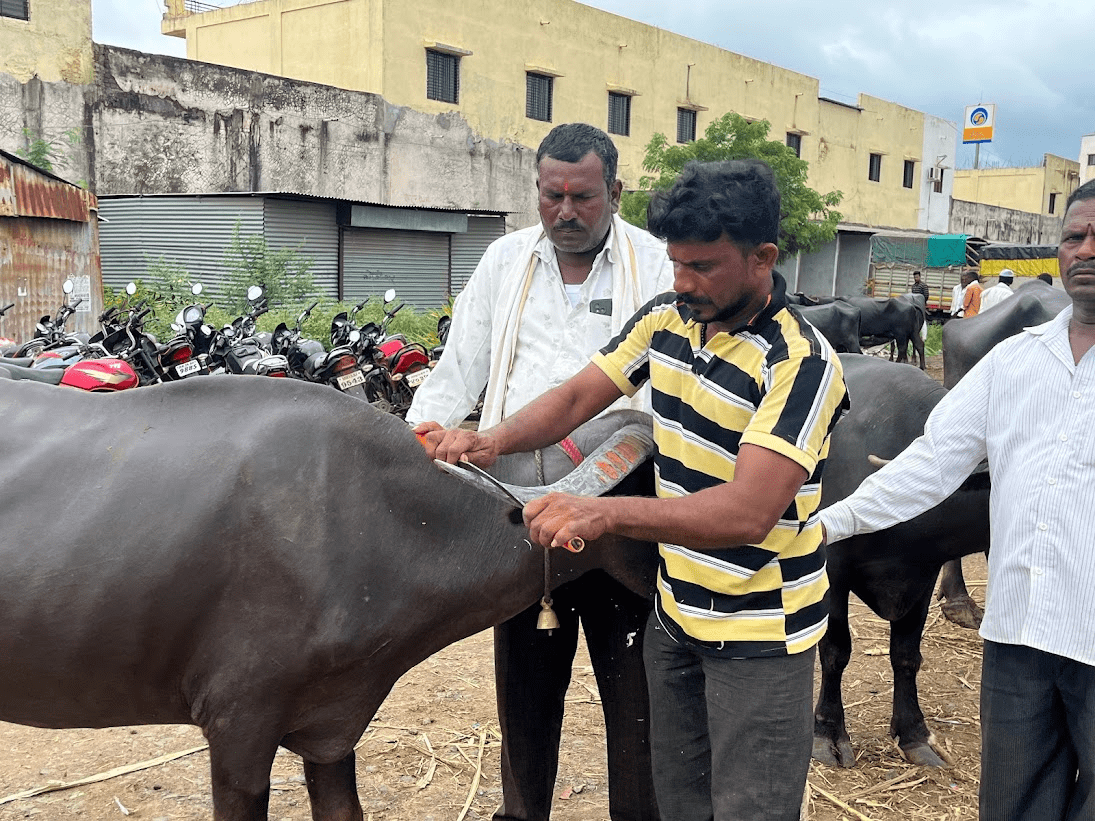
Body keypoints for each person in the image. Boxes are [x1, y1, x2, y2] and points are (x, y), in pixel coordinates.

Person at [419, 159, 850, 820]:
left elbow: (747, 511)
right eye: (675, 263)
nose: (680, 281)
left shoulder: (798, 365)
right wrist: (491, 440)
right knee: (676, 801)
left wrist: (601, 511)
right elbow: (575, 396)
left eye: (701, 266)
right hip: (675, 616)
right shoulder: (667, 321)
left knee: (749, 807)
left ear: (762, 258)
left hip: (760, 631)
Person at [408, 122, 673, 821]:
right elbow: (458, 367)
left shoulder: (658, 265)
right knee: (523, 691)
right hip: (521, 511)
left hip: (625, 510)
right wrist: (427, 434)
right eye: (550, 194)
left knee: (636, 695)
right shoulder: (504, 261)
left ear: (614, 192)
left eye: (581, 196)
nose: (563, 211)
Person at [820, 178, 1095, 821]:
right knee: (1015, 802)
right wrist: (829, 523)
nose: (1086, 251)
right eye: (1075, 237)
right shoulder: (1013, 364)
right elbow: (929, 465)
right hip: (1019, 636)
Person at [910, 271, 930, 339]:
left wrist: (922, 303)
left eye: (917, 277)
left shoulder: (923, 286)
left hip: (921, 306)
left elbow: (926, 296)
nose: (916, 278)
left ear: (920, 277)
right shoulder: (913, 286)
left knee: (923, 320)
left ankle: (924, 336)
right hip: (914, 306)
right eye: (915, 277)